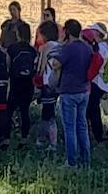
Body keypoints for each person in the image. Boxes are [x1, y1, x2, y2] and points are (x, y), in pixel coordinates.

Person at [49, 18, 102, 168]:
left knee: (69, 128)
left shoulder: (68, 48)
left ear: (67, 31)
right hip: (84, 91)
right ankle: (85, 160)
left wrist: (60, 45)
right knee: (82, 126)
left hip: (69, 92)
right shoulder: (86, 48)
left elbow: (55, 64)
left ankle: (71, 162)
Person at [5, 19, 38, 143]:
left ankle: (7, 138)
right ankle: (24, 138)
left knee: (9, 111)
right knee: (25, 111)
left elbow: (8, 65)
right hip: (28, 83)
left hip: (15, 82)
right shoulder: (32, 50)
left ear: (18, 34)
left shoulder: (12, 48)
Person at [33, 19, 62, 152]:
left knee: (48, 114)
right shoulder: (60, 46)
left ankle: (51, 143)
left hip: (47, 82)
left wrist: (36, 79)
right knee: (48, 111)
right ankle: (43, 139)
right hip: (57, 83)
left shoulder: (46, 47)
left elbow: (41, 66)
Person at [85, 22, 108, 143]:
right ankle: (96, 134)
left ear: (98, 33)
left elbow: (97, 64)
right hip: (99, 81)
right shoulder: (104, 47)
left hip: (96, 80)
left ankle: (96, 135)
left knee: (92, 109)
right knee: (92, 109)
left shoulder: (100, 48)